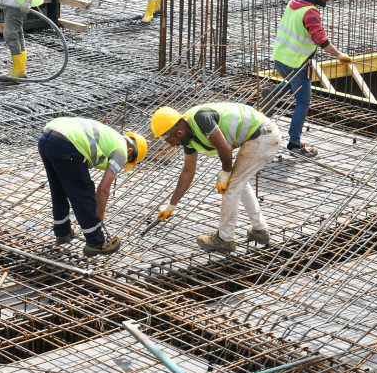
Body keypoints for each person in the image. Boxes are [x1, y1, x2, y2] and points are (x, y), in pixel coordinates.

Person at [150, 102, 283, 253]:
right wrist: (171, 205)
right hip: (259, 138)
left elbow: (225, 148)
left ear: (178, 133)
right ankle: (260, 230)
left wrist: (225, 172)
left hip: (263, 136)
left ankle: (224, 239)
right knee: (238, 183)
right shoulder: (188, 139)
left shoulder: (201, 118)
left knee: (231, 187)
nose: (172, 146)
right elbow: (188, 171)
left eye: (170, 141)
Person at [269, 0, 353, 158]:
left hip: (280, 58)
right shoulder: (310, 12)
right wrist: (339, 55)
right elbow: (320, 39)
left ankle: (272, 94)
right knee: (303, 100)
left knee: (294, 87)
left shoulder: (295, 2)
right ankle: (295, 144)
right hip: (296, 63)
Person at [38, 117, 148, 257]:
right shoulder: (122, 151)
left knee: (58, 188)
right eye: (129, 160)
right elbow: (103, 190)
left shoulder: (111, 137)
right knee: (83, 192)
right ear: (130, 151)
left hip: (47, 136)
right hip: (68, 142)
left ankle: (63, 231)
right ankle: (96, 242)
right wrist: (99, 218)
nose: (124, 163)